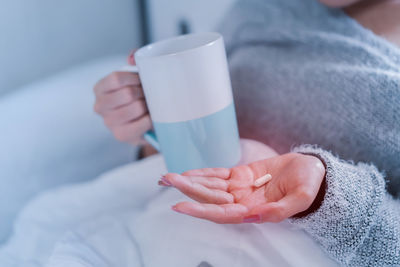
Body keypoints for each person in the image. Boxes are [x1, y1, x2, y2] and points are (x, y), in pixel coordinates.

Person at [93, 0, 400, 265]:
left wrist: (327, 194)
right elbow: (188, 148)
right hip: (158, 237)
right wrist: (146, 126)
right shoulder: (259, 10)